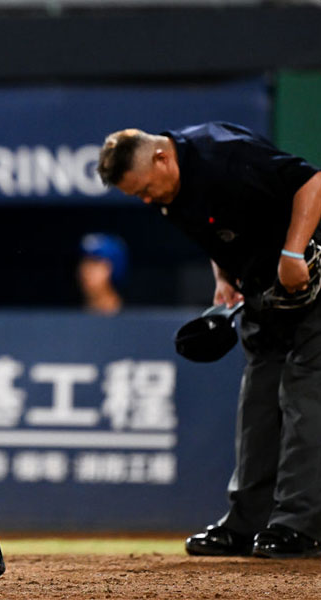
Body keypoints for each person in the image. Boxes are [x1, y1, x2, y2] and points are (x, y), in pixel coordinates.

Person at [97, 122, 321, 559]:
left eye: (144, 188)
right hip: (264, 293)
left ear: (162, 157)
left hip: (313, 278)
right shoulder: (169, 192)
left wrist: (294, 252)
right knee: (257, 403)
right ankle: (246, 523)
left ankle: (299, 525)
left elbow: (311, 181)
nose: (146, 199)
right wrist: (225, 278)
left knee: (304, 397)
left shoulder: (224, 154)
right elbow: (219, 236)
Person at [77, 232, 128, 315]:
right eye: (84, 262)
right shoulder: (73, 320)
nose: (86, 270)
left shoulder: (132, 318)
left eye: (95, 262)